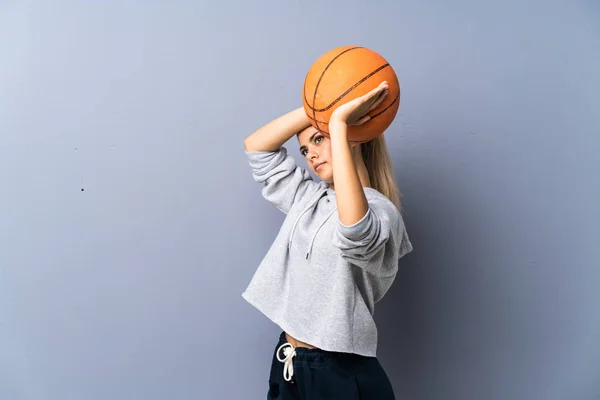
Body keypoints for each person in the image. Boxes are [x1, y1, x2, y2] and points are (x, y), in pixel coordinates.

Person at [242, 81, 413, 399]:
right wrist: (319, 111)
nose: (311, 155)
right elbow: (257, 148)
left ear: (353, 138)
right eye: (305, 149)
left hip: (339, 371)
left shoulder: (382, 212)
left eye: (319, 140)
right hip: (289, 360)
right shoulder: (309, 198)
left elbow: (355, 232)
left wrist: (338, 124)